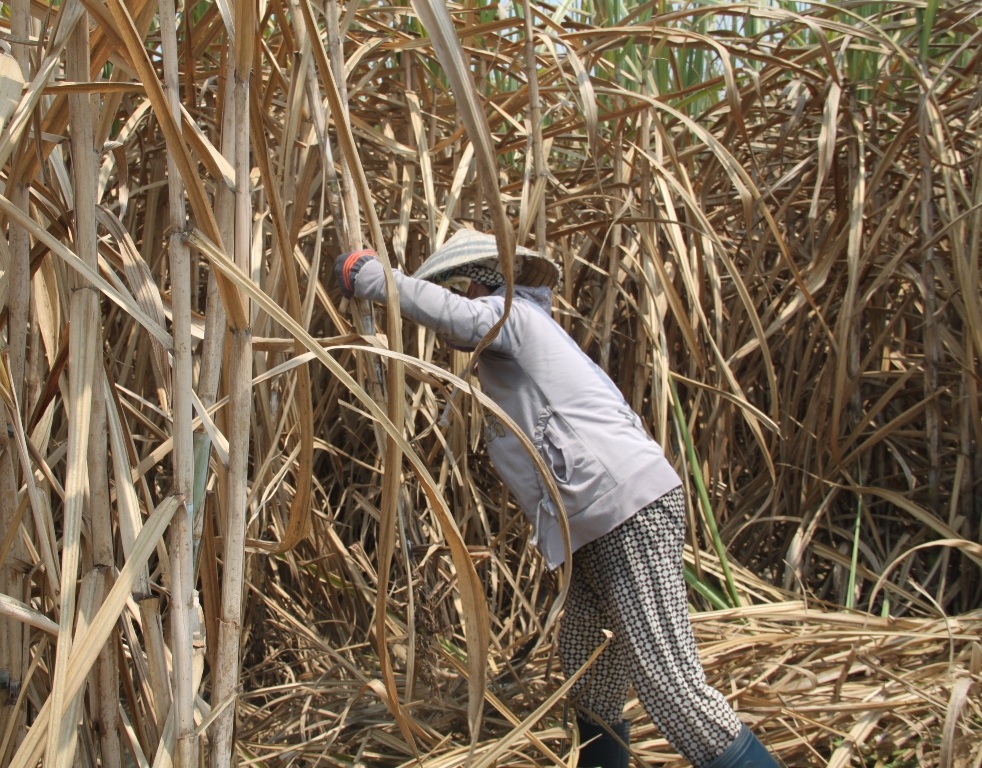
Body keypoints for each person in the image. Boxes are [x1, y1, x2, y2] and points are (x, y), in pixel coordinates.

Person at [335, 229, 780, 768]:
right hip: (594, 529)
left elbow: (456, 316)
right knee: (588, 676)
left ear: (481, 288)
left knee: (672, 689)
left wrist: (370, 278)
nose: (455, 301)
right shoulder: (512, 352)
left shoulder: (513, 320)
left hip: (625, 512)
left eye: (458, 288)